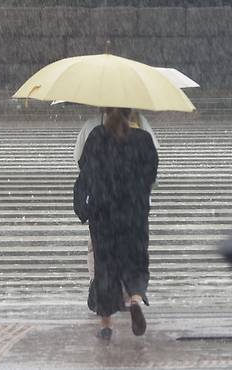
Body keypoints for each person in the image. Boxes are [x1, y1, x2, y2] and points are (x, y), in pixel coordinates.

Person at [77, 107, 158, 340]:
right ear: (131, 113)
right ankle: (134, 297)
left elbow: (85, 171)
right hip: (133, 212)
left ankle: (106, 325)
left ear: (105, 111)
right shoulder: (143, 140)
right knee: (135, 258)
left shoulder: (96, 138)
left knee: (105, 267)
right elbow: (151, 174)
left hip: (104, 215)